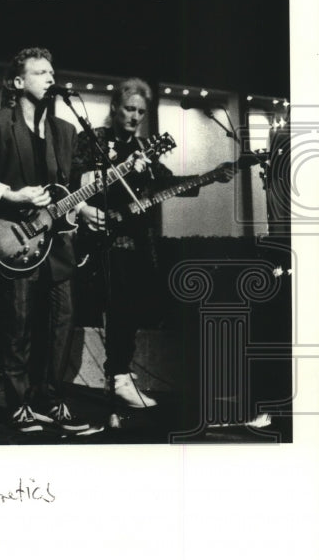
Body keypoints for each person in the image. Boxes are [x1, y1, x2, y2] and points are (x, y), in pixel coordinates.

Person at [71, 77, 235, 410]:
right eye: (129, 109)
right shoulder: (92, 141)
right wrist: (86, 208)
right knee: (81, 307)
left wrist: (209, 175)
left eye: (140, 112)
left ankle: (119, 377)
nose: (134, 117)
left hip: (132, 241)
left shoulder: (144, 148)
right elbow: (74, 180)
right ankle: (60, 384)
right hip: (90, 237)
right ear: (115, 107)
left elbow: (165, 184)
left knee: (127, 309)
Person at [0, 47, 91, 434]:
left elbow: (69, 189)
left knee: (61, 323)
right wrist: (13, 195)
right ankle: (18, 404)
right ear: (18, 82)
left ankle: (50, 399)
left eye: (52, 71)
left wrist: (85, 209)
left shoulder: (66, 132)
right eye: (40, 72)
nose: (50, 77)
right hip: (16, 239)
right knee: (18, 324)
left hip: (58, 243)